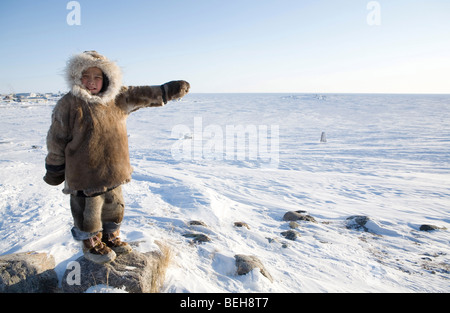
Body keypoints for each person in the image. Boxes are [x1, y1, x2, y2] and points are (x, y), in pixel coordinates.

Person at [43, 51, 190, 264]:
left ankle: (111, 237)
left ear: (107, 78)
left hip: (114, 170)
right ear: (76, 77)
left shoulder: (118, 98)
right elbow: (56, 139)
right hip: (84, 175)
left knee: (114, 207)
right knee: (88, 213)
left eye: (97, 76)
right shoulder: (69, 104)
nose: (91, 82)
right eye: (86, 76)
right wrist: (55, 168)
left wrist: (167, 91)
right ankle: (91, 242)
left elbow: (143, 94)